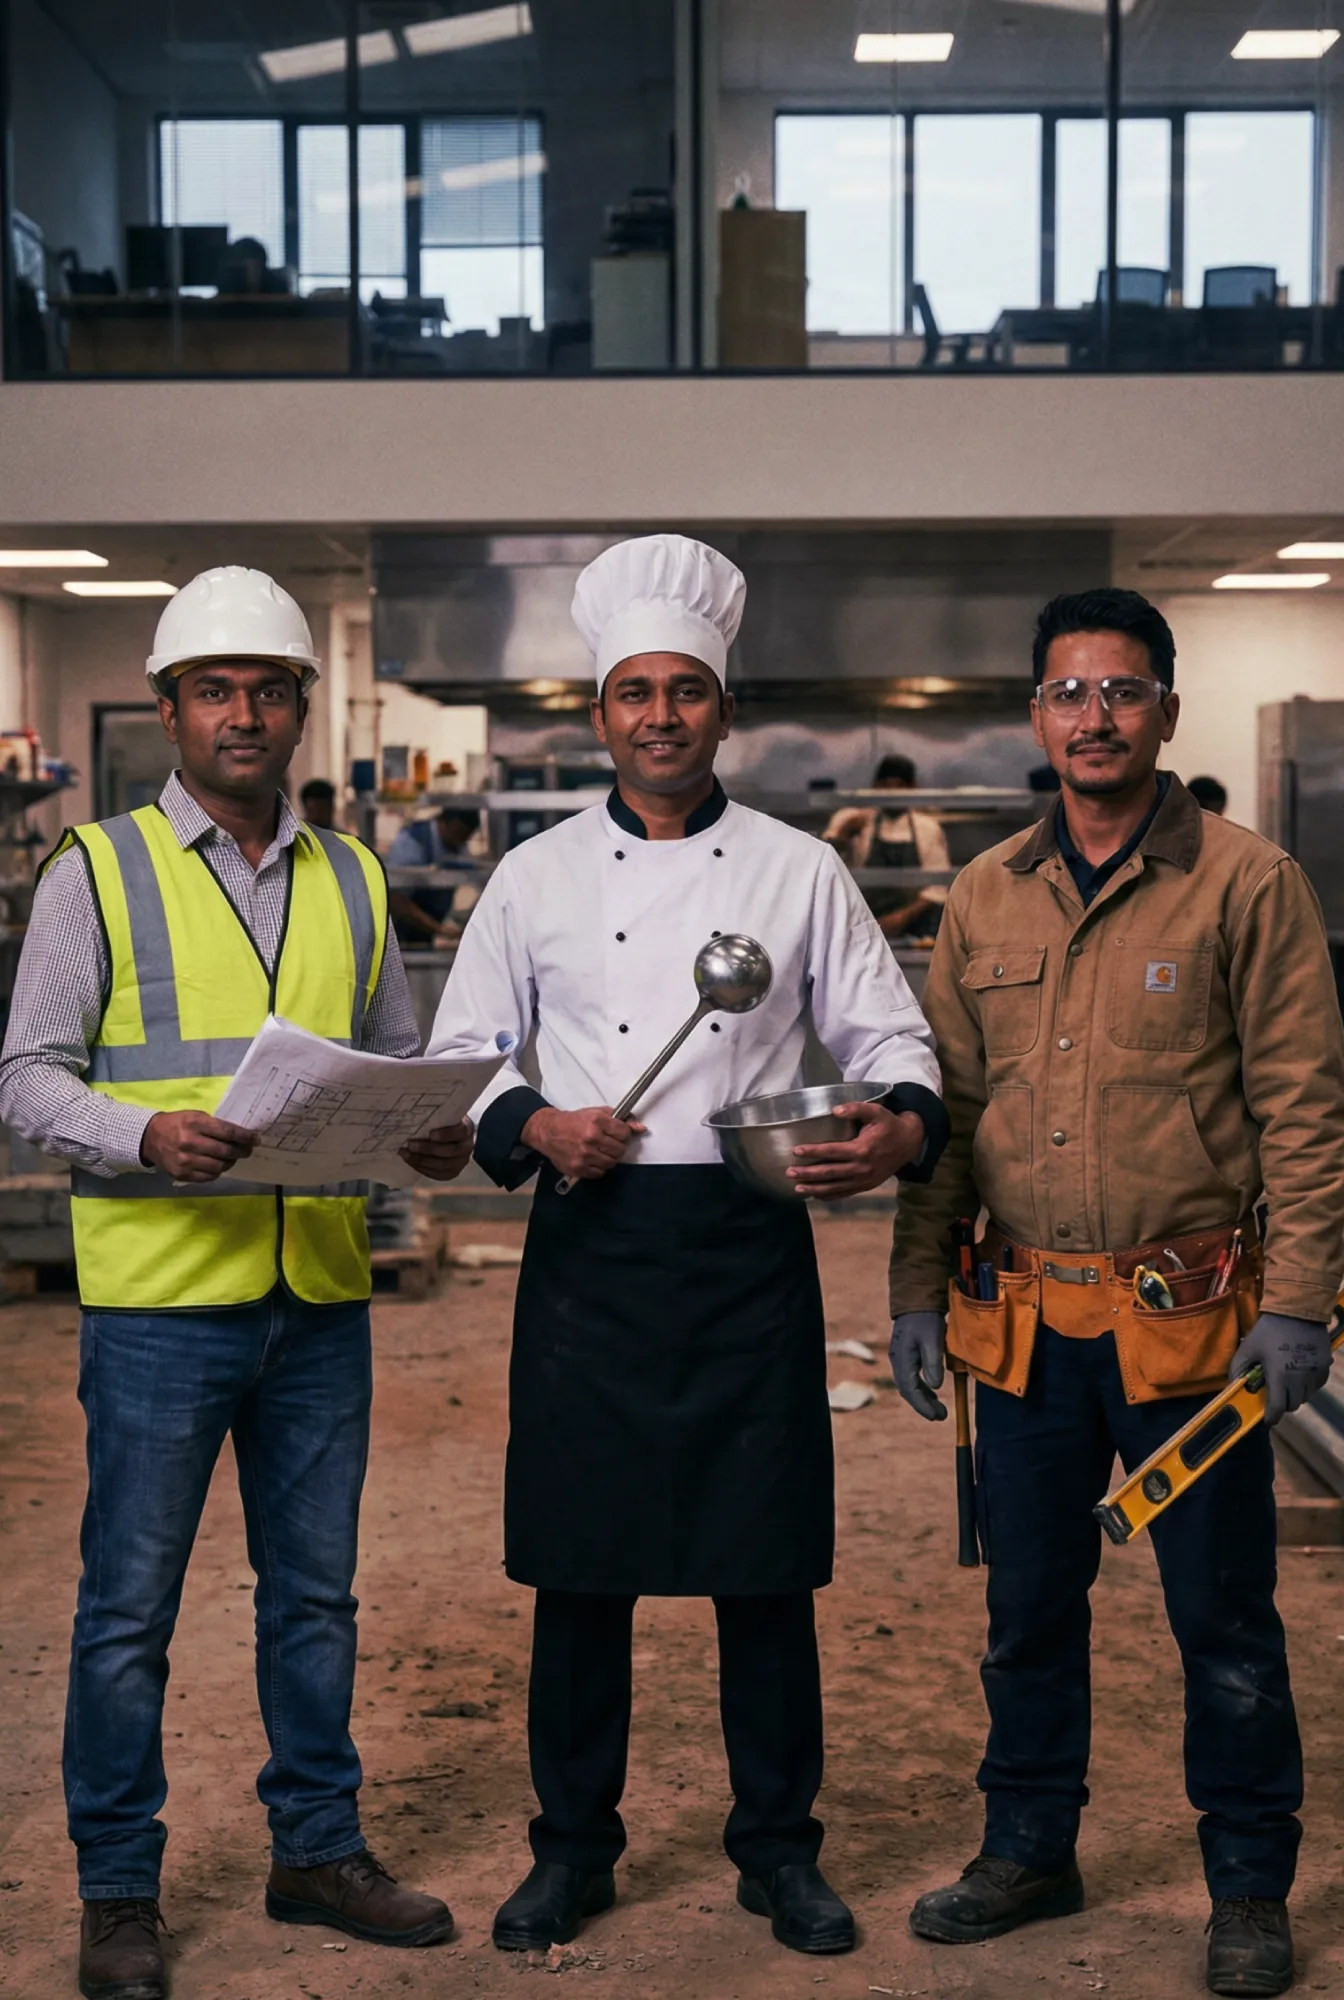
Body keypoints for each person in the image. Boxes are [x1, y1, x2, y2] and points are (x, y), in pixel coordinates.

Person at [427, 534, 948, 1960]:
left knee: (764, 1570)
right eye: (635, 691)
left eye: (688, 691)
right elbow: (457, 1054)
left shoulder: (798, 872)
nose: (661, 713)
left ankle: (778, 1851)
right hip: (592, 1250)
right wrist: (532, 1124)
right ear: (598, 713)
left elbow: (890, 1034)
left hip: (744, 1244)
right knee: (579, 1572)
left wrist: (900, 1124)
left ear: (723, 710)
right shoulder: (532, 879)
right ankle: (571, 1851)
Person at [0, 566, 475, 2000]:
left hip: (318, 1295)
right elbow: (26, 1078)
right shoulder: (99, 869)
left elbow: (392, 1068)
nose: (247, 714)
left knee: (315, 1596)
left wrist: (431, 1133)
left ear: (304, 711)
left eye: (272, 690)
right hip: (159, 1301)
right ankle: (119, 1889)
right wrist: (143, 1132)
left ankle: (316, 1848)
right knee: (128, 1609)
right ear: (170, 711)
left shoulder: (354, 876)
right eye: (218, 690)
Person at [886, 587, 1344, 1999]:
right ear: (1038, 715)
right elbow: (950, 1114)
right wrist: (913, 1285)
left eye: (1123, 692)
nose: (1095, 717)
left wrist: (1304, 1304)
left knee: (1226, 1625)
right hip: (1020, 1326)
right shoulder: (982, 894)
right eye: (1071, 693)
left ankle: (1248, 1887)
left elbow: (1306, 1111)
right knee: (1027, 1611)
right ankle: (1030, 1846)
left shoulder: (1249, 884)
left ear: (1165, 711)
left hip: (1191, 1329)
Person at [823, 753, 952, 939]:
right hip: (861, 925)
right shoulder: (851, 819)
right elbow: (828, 872)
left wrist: (900, 918)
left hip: (913, 928)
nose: (891, 792)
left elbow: (936, 890)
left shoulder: (927, 828)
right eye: (885, 785)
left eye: (899, 786)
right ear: (875, 787)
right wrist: (843, 835)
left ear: (912, 789)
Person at [386, 805, 481, 946]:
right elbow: (395, 899)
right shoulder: (411, 842)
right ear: (444, 822)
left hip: (428, 932)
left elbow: (474, 876)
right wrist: (439, 929)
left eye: (465, 837)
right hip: (399, 933)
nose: (461, 841)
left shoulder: (456, 844)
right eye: (459, 834)